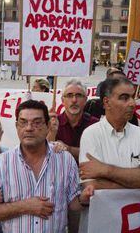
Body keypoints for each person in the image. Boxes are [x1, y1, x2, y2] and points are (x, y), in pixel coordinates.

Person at [0, 100, 94, 233]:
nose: (29, 128)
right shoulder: (1, 164)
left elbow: (73, 206)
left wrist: (84, 198)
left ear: (48, 126)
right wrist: (24, 206)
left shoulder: (65, 160)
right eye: (23, 122)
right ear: (17, 126)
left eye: (36, 122)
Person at [78, 78, 140, 233]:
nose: (132, 103)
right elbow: (92, 186)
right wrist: (137, 182)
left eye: (133, 96)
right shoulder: (91, 134)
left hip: (137, 225)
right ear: (106, 102)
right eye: (124, 97)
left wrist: (105, 170)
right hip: (101, 224)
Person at [46, 79, 98, 233]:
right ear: (62, 100)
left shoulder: (95, 125)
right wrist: (51, 133)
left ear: (85, 99)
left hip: (83, 188)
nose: (74, 100)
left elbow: (95, 156)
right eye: (69, 95)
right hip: (56, 185)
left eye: (78, 95)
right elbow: (43, 155)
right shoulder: (53, 122)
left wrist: (68, 149)